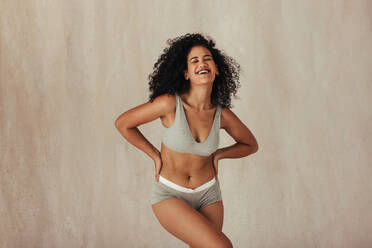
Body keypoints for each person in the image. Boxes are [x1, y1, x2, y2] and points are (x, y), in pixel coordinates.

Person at [115, 33, 258, 248]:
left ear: (217, 69)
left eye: (207, 58)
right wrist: (154, 155)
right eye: (195, 61)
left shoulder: (222, 114)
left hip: (209, 195)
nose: (202, 63)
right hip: (170, 193)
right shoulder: (170, 104)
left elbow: (251, 145)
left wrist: (220, 154)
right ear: (186, 73)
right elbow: (123, 123)